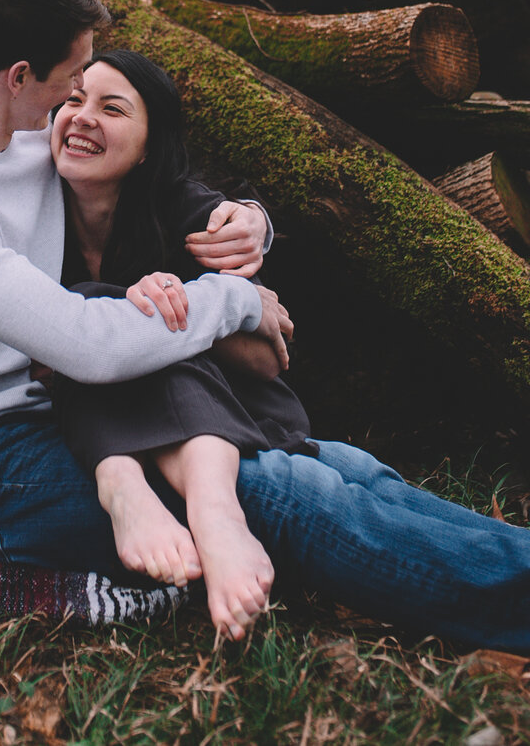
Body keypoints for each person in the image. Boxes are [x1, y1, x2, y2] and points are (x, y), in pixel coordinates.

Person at [0, 0, 530, 659]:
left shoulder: (25, 134)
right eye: (70, 82)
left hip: (70, 415)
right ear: (18, 78)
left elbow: (155, 176)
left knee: (336, 464)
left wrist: (250, 220)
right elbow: (87, 343)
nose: (75, 105)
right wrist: (233, 299)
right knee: (277, 494)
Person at [52, 48, 315, 638]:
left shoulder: (188, 213)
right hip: (95, 408)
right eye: (72, 100)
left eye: (112, 108)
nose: (83, 116)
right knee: (91, 318)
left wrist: (173, 314)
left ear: (147, 147)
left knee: (119, 318)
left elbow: (269, 360)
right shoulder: (30, 205)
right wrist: (125, 309)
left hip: (225, 410)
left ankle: (215, 515)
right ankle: (121, 485)